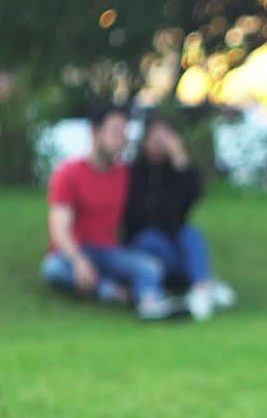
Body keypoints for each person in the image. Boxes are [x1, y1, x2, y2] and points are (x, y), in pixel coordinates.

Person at [41, 104, 182, 320]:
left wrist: (175, 152)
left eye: (125, 134)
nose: (122, 140)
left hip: (108, 251)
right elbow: (59, 230)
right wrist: (78, 261)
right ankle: (111, 291)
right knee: (54, 268)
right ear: (95, 133)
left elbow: (167, 188)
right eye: (116, 132)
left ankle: (149, 302)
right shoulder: (68, 174)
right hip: (73, 252)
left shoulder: (125, 174)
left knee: (149, 267)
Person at [121, 111, 235, 321]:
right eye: (155, 138)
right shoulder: (132, 174)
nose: (159, 145)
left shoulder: (176, 173)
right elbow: (135, 216)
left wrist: (179, 157)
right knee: (150, 240)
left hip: (174, 245)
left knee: (191, 235)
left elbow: (189, 202)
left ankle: (202, 288)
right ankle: (161, 296)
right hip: (146, 247)